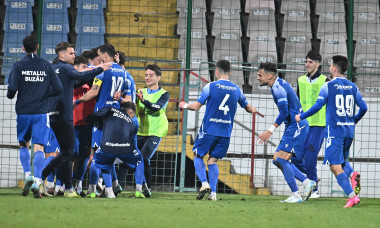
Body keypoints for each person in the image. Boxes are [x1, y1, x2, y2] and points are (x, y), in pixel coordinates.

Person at [178, 60, 257, 201]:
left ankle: (204, 183)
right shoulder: (236, 89)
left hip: (209, 130)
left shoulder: (211, 86)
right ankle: (213, 194)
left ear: (216, 71)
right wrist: (253, 109)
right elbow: (248, 107)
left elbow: (196, 107)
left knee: (197, 155)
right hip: (225, 133)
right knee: (212, 161)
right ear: (230, 72)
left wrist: (184, 105)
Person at [295, 55, 367, 208]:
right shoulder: (353, 87)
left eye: (330, 66)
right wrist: (354, 120)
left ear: (334, 69)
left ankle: (352, 196)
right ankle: (353, 174)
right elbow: (364, 107)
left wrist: (301, 116)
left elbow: (317, 106)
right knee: (340, 160)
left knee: (334, 166)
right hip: (349, 131)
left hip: (335, 132)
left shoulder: (328, 86)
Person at [41, 42, 110, 198]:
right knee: (66, 153)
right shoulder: (66, 69)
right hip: (65, 117)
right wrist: (100, 69)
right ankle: (41, 180)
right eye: (71, 53)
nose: (74, 55)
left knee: (67, 153)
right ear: (61, 55)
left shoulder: (52, 69)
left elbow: (77, 80)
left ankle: (67, 188)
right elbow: (80, 76)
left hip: (52, 115)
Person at [6, 35, 63, 198]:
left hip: (23, 111)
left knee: (24, 144)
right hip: (41, 112)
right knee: (39, 147)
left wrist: (16, 94)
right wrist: (44, 94)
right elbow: (58, 88)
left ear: (23, 48)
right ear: (37, 46)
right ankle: (38, 181)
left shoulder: (18, 66)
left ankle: (27, 175)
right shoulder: (46, 65)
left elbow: (11, 91)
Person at [256, 62, 316, 203]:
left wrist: (270, 130)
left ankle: (296, 195)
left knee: (282, 159)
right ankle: (307, 182)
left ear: (270, 75)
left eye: (260, 75)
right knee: (277, 159)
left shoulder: (278, 89)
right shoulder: (276, 85)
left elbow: (284, 112)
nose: (258, 78)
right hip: (293, 126)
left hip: (297, 126)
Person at [74, 44, 128, 197]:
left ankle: (98, 189)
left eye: (99, 55)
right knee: (108, 152)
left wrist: (77, 102)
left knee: (98, 153)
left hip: (101, 116)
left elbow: (93, 92)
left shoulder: (103, 70)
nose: (98, 58)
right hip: (116, 115)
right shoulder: (123, 72)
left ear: (105, 55)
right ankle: (110, 187)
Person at [86, 102, 143, 198]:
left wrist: (89, 120)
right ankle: (139, 190)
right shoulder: (132, 121)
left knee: (97, 162)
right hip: (126, 150)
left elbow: (95, 115)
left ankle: (97, 191)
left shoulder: (109, 109)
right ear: (129, 112)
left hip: (108, 147)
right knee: (140, 162)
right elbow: (132, 139)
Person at [294, 50, 329, 198]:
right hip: (303, 125)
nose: (307, 64)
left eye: (310, 62)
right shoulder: (300, 80)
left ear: (318, 64)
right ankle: (312, 178)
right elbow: (297, 101)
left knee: (310, 157)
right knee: (295, 157)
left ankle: (314, 190)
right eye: (306, 61)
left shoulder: (326, 81)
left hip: (318, 125)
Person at [136, 64, 169, 198]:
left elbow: (156, 107)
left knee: (143, 158)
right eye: (146, 75)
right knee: (133, 159)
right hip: (140, 130)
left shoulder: (164, 94)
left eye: (151, 75)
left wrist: (144, 101)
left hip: (156, 131)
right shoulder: (140, 92)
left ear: (158, 77)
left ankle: (146, 189)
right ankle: (116, 186)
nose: (147, 78)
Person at [72, 55, 93, 196]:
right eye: (84, 67)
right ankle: (64, 184)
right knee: (71, 154)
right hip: (71, 123)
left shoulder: (91, 83)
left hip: (87, 123)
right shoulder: (71, 80)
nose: (87, 70)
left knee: (85, 155)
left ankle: (78, 183)